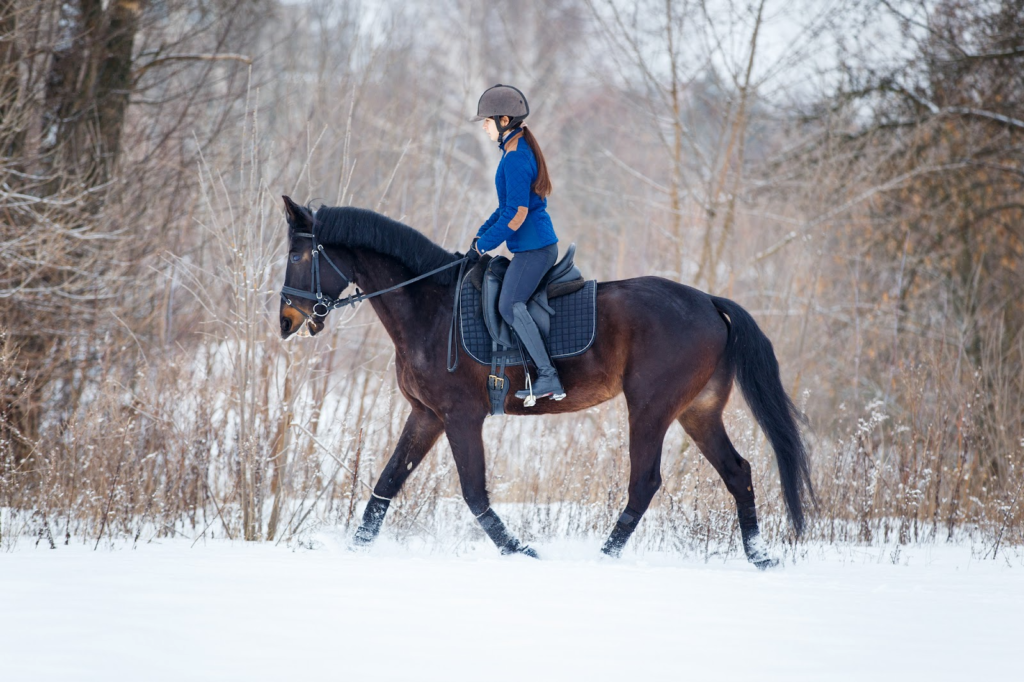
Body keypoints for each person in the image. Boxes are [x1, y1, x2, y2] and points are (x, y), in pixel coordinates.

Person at [471, 84, 565, 402]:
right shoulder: (516, 149)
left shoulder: (515, 157)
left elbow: (516, 214)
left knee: (510, 305)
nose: (484, 126)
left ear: (504, 119)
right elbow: (504, 208)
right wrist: (480, 236)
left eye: (487, 120)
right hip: (531, 244)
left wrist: (486, 246)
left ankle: (549, 376)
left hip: (535, 247)